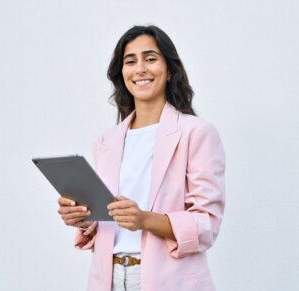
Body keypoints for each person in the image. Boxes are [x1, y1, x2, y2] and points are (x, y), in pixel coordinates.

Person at [57, 25, 225, 291]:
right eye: (130, 61)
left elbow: (207, 223)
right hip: (108, 279)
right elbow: (111, 221)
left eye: (150, 58)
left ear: (169, 70)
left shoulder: (197, 133)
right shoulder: (106, 141)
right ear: (121, 73)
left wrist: (144, 219)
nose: (140, 69)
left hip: (169, 280)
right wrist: (83, 218)